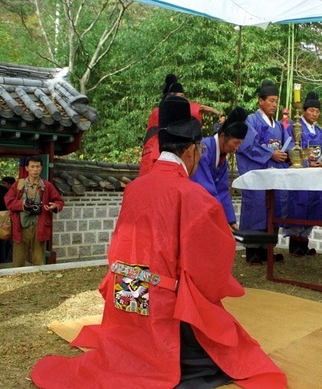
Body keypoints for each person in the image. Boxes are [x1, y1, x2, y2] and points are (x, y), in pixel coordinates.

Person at [30, 96, 287, 389]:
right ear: (191, 150)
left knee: (136, 339)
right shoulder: (194, 197)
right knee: (216, 348)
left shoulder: (134, 189)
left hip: (125, 296)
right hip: (164, 306)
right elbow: (209, 269)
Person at [235, 79, 294, 265]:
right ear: (260, 101)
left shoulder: (278, 125)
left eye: (276, 101)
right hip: (257, 174)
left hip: (275, 174)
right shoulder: (251, 120)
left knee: (273, 208)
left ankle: (268, 250)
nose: (274, 104)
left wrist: (288, 154)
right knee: (256, 209)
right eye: (271, 100)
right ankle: (253, 252)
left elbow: (289, 144)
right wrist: (271, 153)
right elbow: (246, 145)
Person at [284, 91, 322, 256]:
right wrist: (307, 161)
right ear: (304, 111)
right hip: (300, 176)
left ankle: (305, 242)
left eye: (317, 111)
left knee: (314, 207)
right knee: (298, 206)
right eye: (311, 110)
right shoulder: (295, 128)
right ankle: (295, 243)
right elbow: (289, 148)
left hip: (316, 177)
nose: (315, 114)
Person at [139, 74, 221, 177]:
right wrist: (201, 108)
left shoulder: (162, 111)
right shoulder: (158, 112)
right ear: (171, 96)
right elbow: (181, 109)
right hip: (152, 154)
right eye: (181, 96)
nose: (184, 100)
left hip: (161, 152)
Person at [191, 107, 248, 232]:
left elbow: (222, 191)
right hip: (196, 206)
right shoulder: (204, 150)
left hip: (209, 208)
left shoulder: (222, 160)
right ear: (223, 136)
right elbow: (206, 190)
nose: (237, 148)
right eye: (236, 143)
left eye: (240, 144)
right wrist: (221, 221)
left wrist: (231, 221)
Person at [4, 156, 64, 267]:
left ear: (41, 168)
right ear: (27, 168)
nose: (35, 169)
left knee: (38, 259)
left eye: (37, 167)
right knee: (18, 260)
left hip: (39, 225)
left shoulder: (47, 186)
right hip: (21, 225)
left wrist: (53, 206)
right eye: (32, 167)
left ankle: (38, 280)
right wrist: (23, 204)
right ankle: (19, 278)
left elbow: (59, 201)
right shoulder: (19, 184)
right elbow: (8, 201)